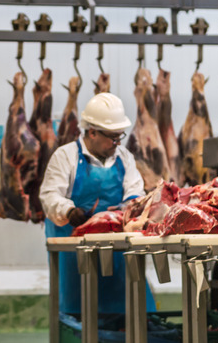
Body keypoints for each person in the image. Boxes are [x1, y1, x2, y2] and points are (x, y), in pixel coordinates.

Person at [40, 92, 155, 318]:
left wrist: (134, 208)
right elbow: (50, 196)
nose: (117, 143)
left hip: (117, 253)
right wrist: (68, 210)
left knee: (128, 312)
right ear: (92, 132)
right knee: (80, 314)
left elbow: (135, 192)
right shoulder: (66, 156)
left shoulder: (124, 157)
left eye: (119, 137)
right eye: (113, 137)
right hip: (74, 253)